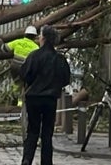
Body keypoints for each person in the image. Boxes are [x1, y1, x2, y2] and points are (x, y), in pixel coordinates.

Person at [19, 25, 71, 165]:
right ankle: (46, 162)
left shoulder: (34, 56)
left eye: (40, 35)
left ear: (43, 38)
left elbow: (24, 74)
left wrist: (32, 83)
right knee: (47, 133)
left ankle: (27, 159)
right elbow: (66, 79)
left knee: (32, 130)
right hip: (50, 99)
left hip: (33, 98)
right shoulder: (59, 59)